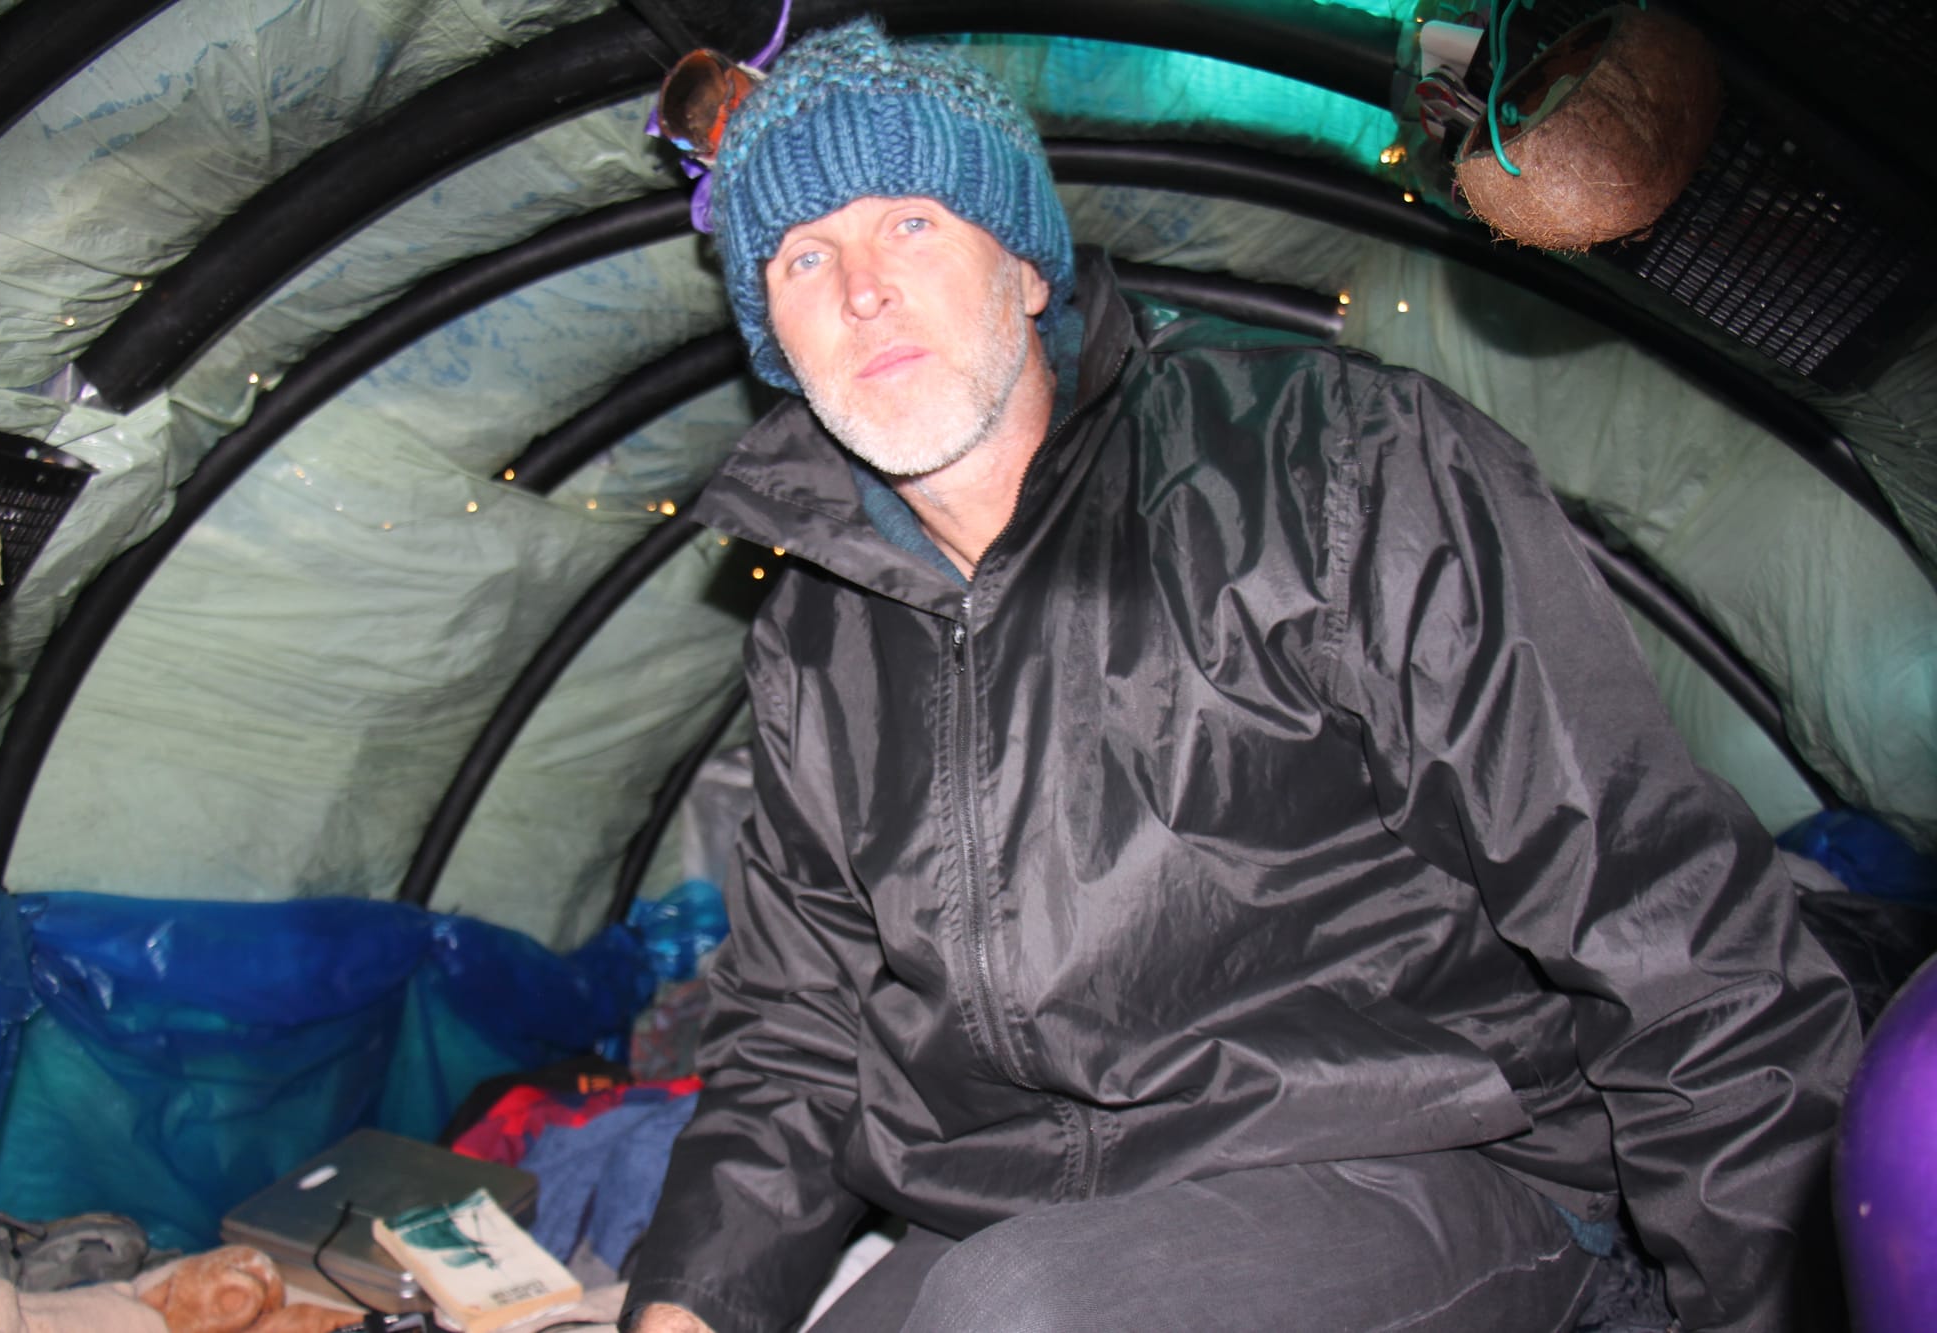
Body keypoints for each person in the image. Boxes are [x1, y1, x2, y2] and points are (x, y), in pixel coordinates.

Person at [621, 18, 1862, 1333]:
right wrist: (684, 1308)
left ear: (1025, 270)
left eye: (910, 223)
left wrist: (1778, 1307)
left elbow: (1653, 909)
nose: (861, 288)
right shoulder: (815, 637)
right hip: (1042, 1212)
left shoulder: (1332, 469)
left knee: (1011, 1315)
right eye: (803, 257)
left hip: (1435, 1160)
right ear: (776, 338)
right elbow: (801, 1033)